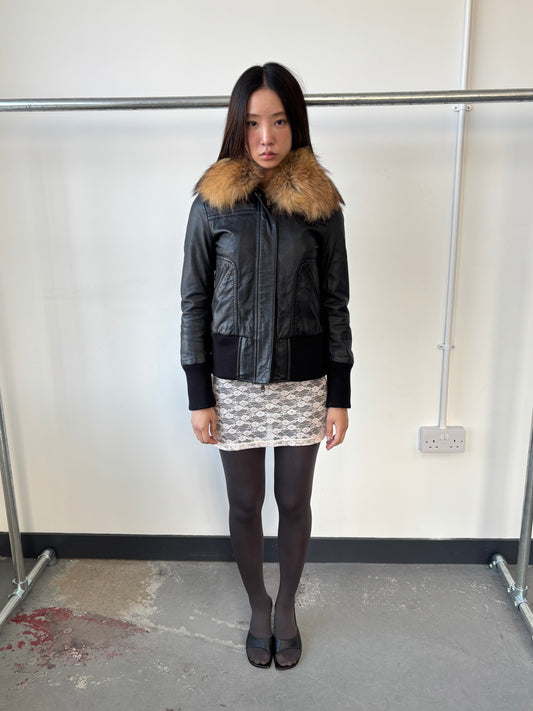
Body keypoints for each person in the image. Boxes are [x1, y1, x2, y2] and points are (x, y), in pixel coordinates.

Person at [180, 63, 353, 670]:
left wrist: (340, 393)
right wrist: (199, 393)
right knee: (245, 505)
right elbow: (194, 302)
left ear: (294, 124)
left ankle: (287, 608)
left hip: (304, 381)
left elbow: (336, 303)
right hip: (232, 384)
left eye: (278, 122)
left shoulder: (322, 206)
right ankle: (259, 604)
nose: (266, 137)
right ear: (238, 126)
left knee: (295, 503)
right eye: (254, 123)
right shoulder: (212, 205)